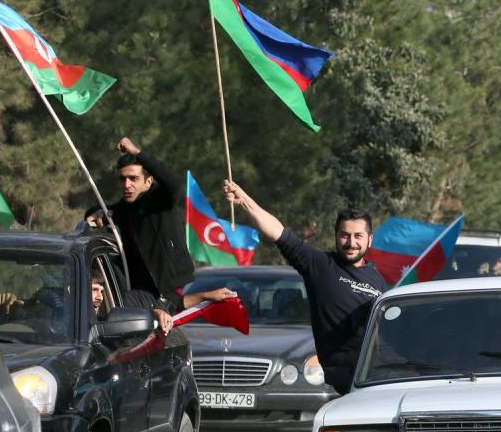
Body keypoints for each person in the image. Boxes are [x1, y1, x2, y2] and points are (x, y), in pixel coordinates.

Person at [223, 180, 387, 394]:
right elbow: (278, 233)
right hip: (347, 378)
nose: (351, 242)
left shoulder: (378, 280)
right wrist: (243, 199)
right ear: (336, 236)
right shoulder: (320, 265)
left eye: (358, 236)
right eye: (345, 235)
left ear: (370, 240)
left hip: (380, 374)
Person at [85, 137, 234, 317]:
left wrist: (136, 153)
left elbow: (174, 184)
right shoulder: (125, 209)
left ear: (148, 182)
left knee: (114, 308)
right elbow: (102, 210)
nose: (127, 185)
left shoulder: (159, 201)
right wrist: (97, 213)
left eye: (133, 178)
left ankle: (204, 296)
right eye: (122, 179)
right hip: (142, 290)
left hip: (168, 287)